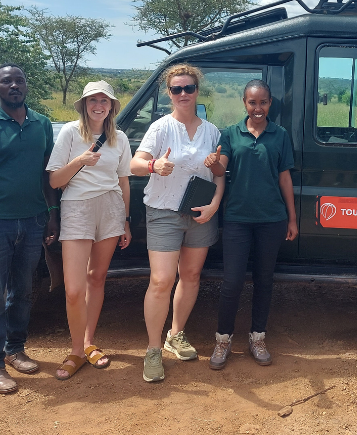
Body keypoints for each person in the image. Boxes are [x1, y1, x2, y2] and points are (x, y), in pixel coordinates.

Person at [0, 63, 59, 394]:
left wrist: (52, 214)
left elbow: (47, 175)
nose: (14, 85)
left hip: (32, 222)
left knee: (23, 290)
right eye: (7, 81)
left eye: (19, 80)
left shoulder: (42, 124)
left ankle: (14, 349)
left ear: (26, 86)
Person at [130, 64, 225, 382]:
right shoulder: (160, 128)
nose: (183, 94)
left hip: (200, 213)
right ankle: (154, 349)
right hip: (164, 213)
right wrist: (155, 165)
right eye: (176, 89)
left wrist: (214, 204)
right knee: (161, 281)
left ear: (197, 91)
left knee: (192, 275)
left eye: (188, 88)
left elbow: (217, 173)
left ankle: (176, 333)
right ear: (169, 93)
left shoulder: (212, 131)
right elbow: (136, 163)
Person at [203, 79, 297, 370]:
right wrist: (213, 162)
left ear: (270, 103)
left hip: (271, 219)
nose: (258, 108)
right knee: (231, 282)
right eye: (252, 102)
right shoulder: (231, 133)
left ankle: (258, 337)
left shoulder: (280, 135)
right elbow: (222, 168)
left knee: (264, 281)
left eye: (263, 102)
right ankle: (223, 340)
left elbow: (284, 178)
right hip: (238, 219)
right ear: (244, 103)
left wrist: (292, 218)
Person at [46, 81, 132, 380]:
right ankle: (75, 351)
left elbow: (123, 181)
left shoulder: (119, 138)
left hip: (110, 208)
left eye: (104, 101)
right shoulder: (71, 133)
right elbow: (55, 181)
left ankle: (87, 342)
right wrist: (80, 160)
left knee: (97, 278)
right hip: (77, 208)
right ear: (84, 105)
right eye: (93, 100)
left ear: (111, 107)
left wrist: (125, 220)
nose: (99, 105)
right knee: (73, 289)